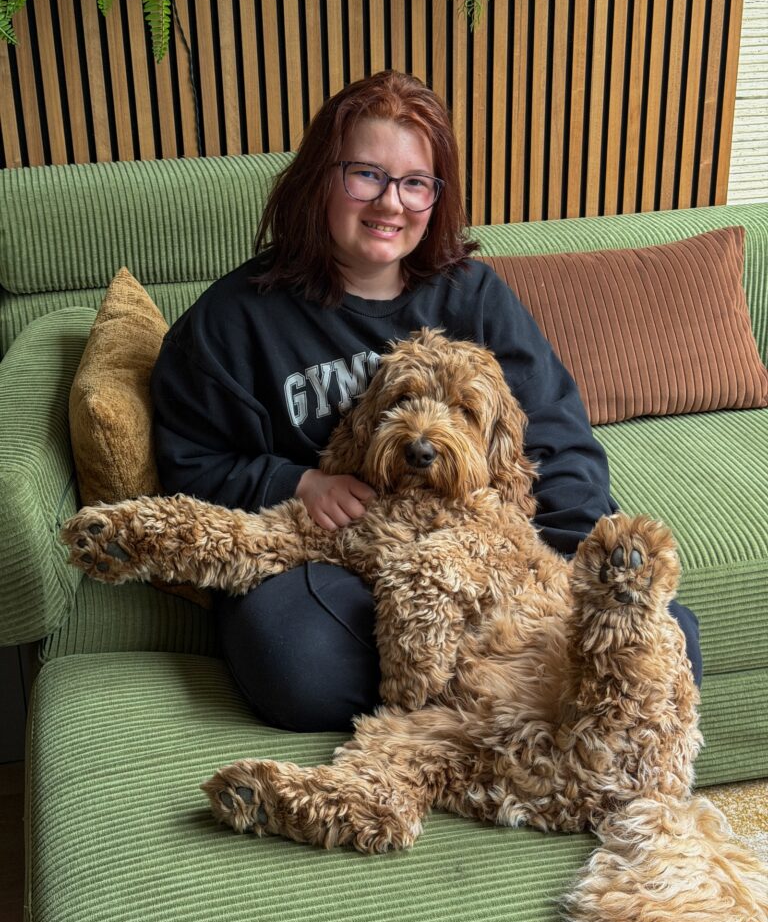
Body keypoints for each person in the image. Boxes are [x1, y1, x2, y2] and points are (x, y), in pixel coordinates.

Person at [151, 70, 702, 731]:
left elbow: (556, 436)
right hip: (340, 564)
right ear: (319, 178)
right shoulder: (232, 322)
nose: (391, 203)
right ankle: (507, 703)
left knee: (669, 640)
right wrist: (296, 482)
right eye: (366, 175)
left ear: (436, 197)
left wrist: (563, 570)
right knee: (294, 661)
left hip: (482, 556)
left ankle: (491, 696)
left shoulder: (474, 296)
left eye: (415, 183)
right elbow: (190, 462)